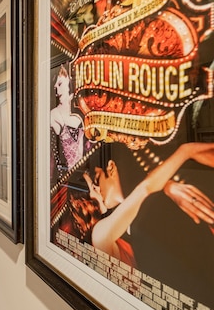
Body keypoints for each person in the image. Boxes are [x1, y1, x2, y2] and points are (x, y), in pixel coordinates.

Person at [64, 142, 214, 266]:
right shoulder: (99, 235)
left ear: (111, 168)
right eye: (89, 189)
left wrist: (167, 185)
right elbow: (145, 188)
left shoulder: (127, 225)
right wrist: (185, 151)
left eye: (95, 181)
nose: (94, 192)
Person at [51, 65, 85, 175]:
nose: (57, 89)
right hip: (68, 175)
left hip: (85, 172)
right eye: (55, 86)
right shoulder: (54, 114)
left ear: (68, 81)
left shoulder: (80, 104)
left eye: (60, 84)